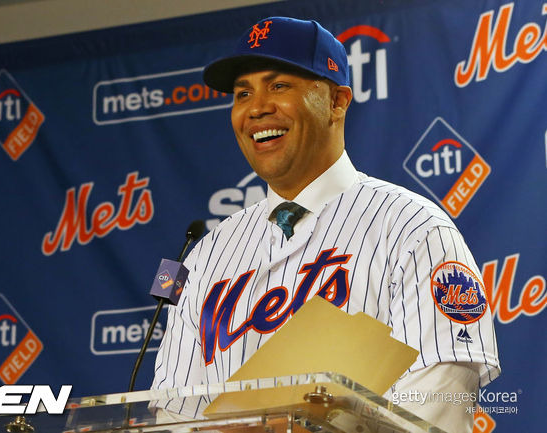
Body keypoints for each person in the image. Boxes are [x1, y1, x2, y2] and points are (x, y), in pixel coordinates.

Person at [152, 17, 500, 432]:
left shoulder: (414, 229)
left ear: (336, 101)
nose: (257, 107)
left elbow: (441, 398)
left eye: (278, 86)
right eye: (243, 93)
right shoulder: (208, 254)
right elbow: (172, 412)